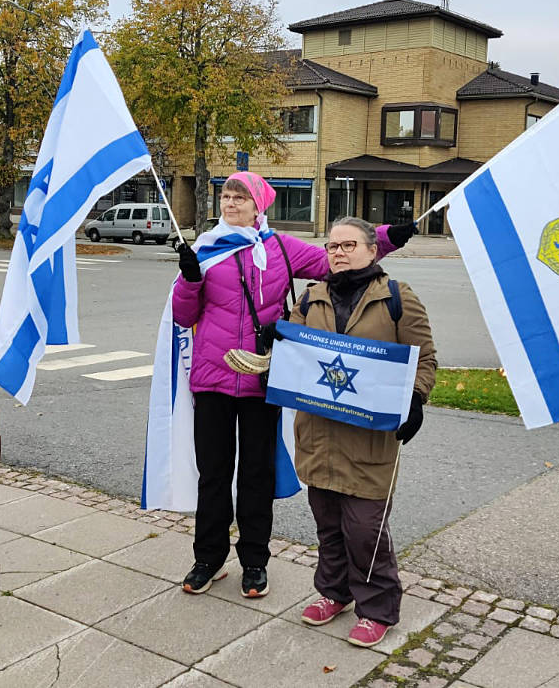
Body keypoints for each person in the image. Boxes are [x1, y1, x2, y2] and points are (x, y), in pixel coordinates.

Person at [171, 172, 416, 599]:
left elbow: (336, 259)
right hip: (211, 378)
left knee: (256, 475)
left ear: (259, 205)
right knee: (212, 473)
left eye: (240, 198)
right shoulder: (205, 249)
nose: (230, 204)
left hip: (263, 380)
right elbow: (182, 314)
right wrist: (190, 279)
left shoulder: (281, 248)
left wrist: (389, 235)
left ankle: (254, 563)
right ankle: (208, 558)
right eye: (226, 197)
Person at [287, 216, 436, 648]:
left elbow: (424, 358)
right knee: (328, 524)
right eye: (332, 246)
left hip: (369, 439)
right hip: (319, 436)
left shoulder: (396, 298)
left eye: (348, 245)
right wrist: (274, 341)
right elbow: (294, 354)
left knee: (365, 530)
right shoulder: (312, 297)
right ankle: (334, 592)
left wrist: (416, 398)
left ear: (372, 250)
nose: (338, 252)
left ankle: (378, 607)